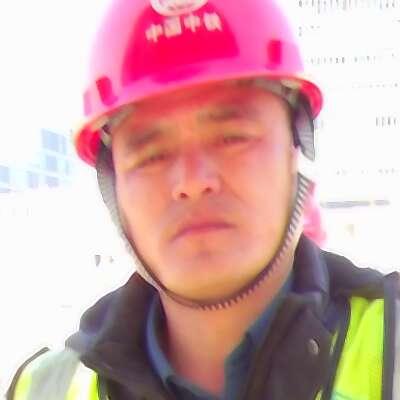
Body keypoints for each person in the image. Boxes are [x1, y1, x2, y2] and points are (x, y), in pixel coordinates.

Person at [7, 0, 400, 399]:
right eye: (151, 155)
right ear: (113, 185)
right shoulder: (45, 390)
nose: (192, 182)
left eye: (232, 137)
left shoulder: (391, 348)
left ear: (297, 148)